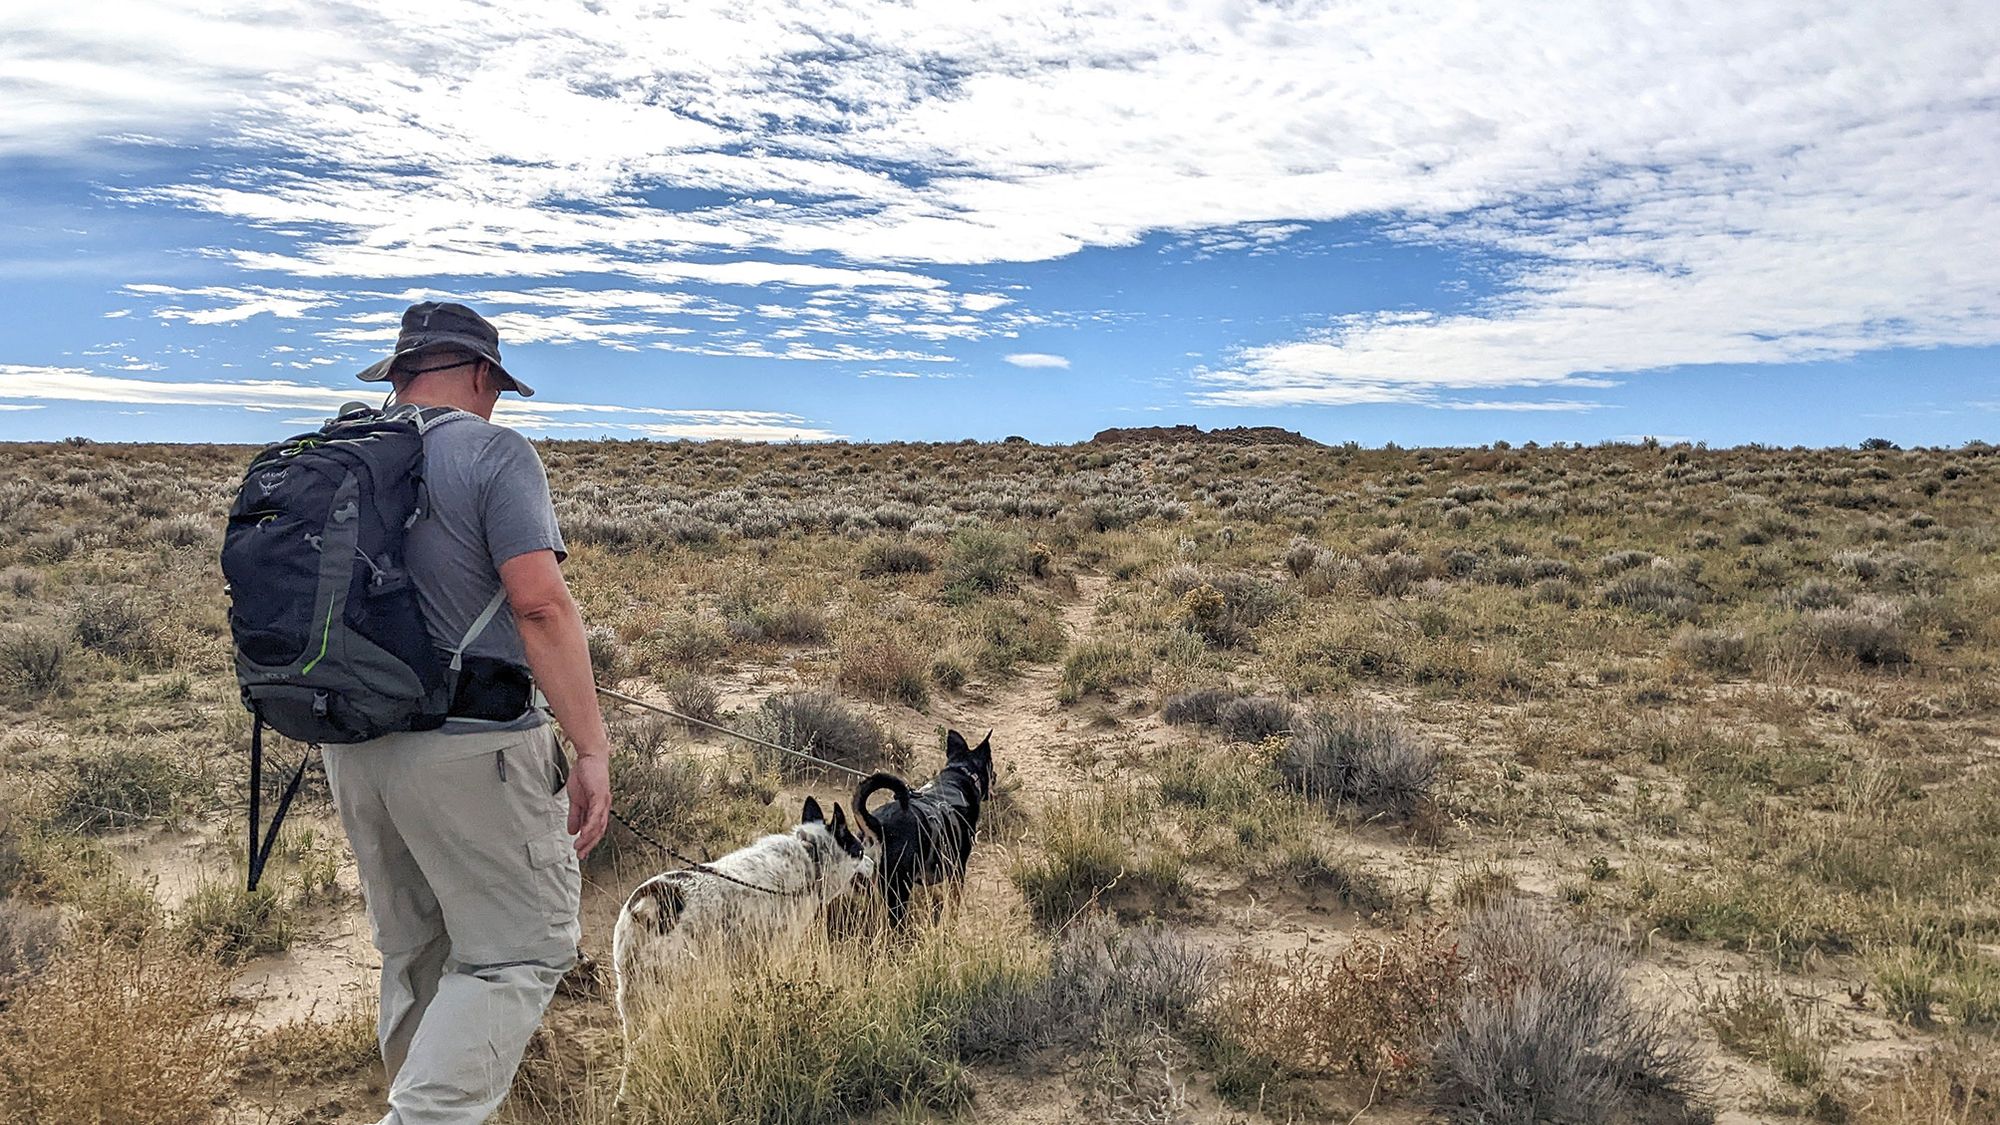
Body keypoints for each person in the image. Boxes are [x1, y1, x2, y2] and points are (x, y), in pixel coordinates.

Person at [322, 299, 612, 1124]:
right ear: (483, 373)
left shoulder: (341, 450)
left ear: (401, 373)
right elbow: (541, 608)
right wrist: (589, 745)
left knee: (416, 949)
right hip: (471, 749)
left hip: (352, 746)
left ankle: (428, 1103)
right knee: (519, 948)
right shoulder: (494, 452)